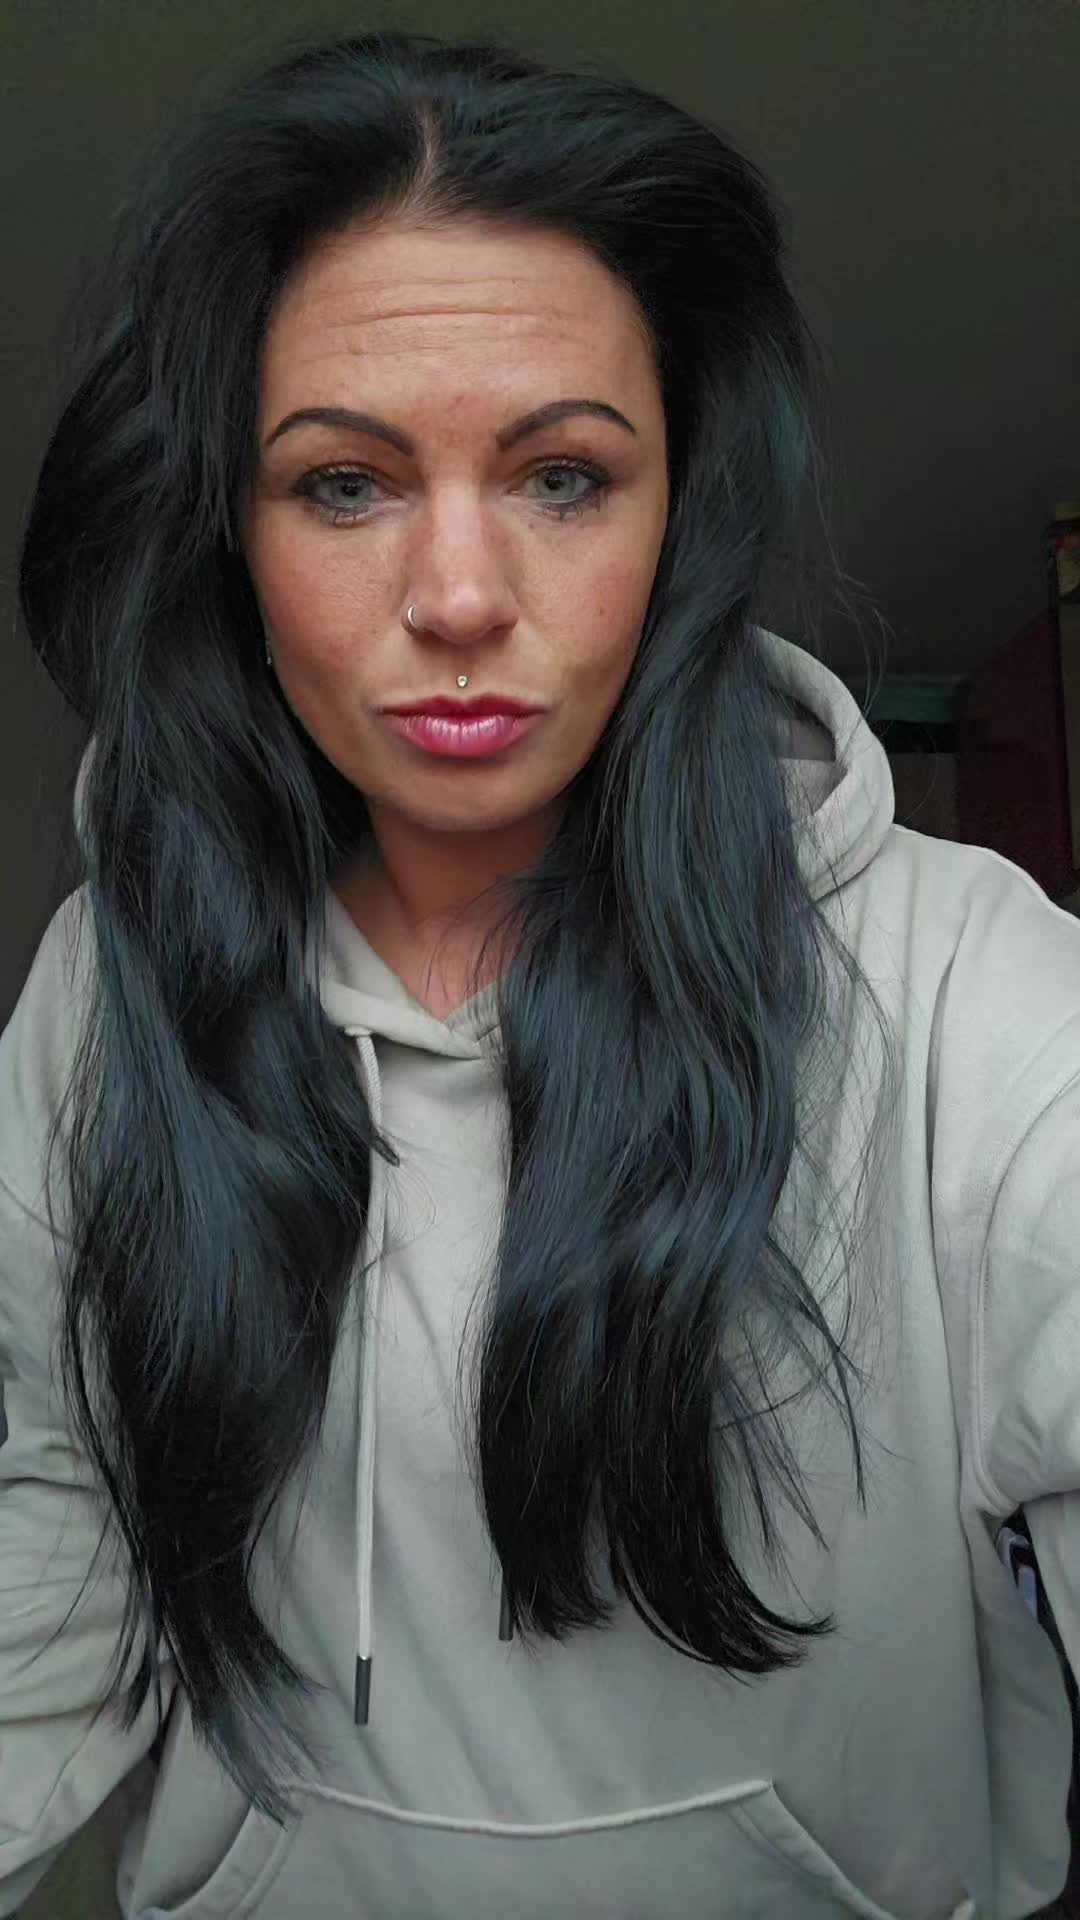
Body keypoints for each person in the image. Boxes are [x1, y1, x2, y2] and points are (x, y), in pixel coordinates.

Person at [1, 26, 1077, 1920]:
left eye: (564, 477)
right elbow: (58, 1524)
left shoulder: (971, 984)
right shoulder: (115, 985)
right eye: (345, 486)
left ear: (679, 516)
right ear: (228, 531)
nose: (461, 596)